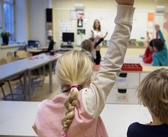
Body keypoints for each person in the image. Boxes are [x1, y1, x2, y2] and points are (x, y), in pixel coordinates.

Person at [32, 0, 135, 137]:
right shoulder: (89, 103)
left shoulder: (43, 109)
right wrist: (125, 8)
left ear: (58, 77)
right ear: (89, 79)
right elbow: (112, 64)